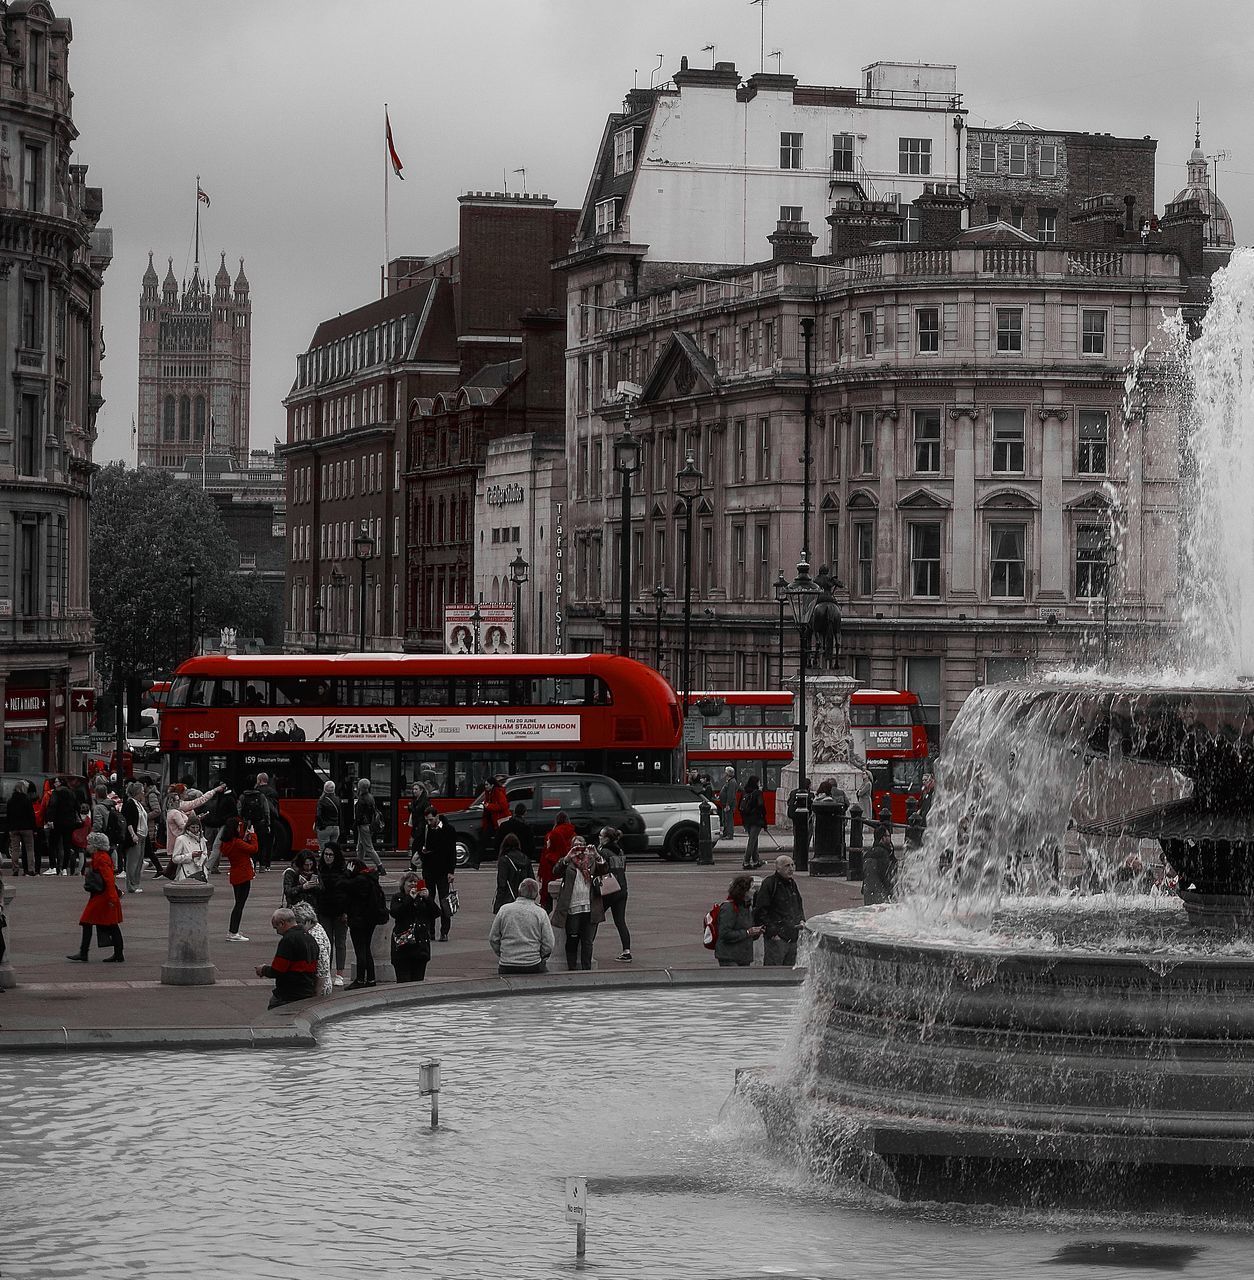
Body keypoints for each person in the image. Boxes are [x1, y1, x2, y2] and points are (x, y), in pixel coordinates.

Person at [550, 838, 609, 971]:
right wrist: (567, 857)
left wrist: (597, 854)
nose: (579, 849)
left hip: (590, 906)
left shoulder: (592, 861)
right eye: (576, 846)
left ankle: (586, 969)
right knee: (572, 938)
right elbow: (555, 871)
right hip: (573, 906)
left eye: (582, 845)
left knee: (587, 942)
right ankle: (572, 968)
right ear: (571, 847)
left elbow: (605, 870)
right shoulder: (568, 861)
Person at [68, 833, 125, 963]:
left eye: (89, 843)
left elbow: (109, 879)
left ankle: (84, 952)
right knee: (110, 925)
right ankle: (117, 953)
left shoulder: (101, 858)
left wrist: (112, 898)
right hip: (104, 896)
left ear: (95, 845)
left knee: (90, 922)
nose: (87, 846)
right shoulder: (100, 856)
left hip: (103, 897)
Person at [255, 908, 318, 1009]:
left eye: (276, 928)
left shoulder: (288, 940)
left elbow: (278, 970)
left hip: (289, 993)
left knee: (274, 1013)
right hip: (307, 991)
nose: (277, 932)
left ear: (282, 923)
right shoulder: (310, 938)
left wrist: (263, 969)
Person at [489, 877, 554, 975]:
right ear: (536, 894)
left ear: (519, 891)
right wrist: (540, 955)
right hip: (532, 963)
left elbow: (493, 938)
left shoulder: (504, 910)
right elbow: (549, 943)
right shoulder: (540, 913)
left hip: (507, 963)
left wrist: (502, 953)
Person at [340, 855, 387, 989]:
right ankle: (371, 979)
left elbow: (342, 884)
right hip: (370, 919)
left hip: (358, 919)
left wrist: (347, 873)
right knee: (366, 949)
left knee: (360, 949)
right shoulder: (370, 878)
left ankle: (360, 979)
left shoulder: (358, 880)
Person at [753, 855, 806, 966]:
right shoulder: (770, 883)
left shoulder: (792, 883)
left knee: (790, 969)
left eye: (792, 865)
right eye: (787, 866)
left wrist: (801, 920)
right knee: (774, 970)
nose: (791, 868)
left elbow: (798, 904)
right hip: (777, 937)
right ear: (778, 868)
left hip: (792, 935)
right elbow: (761, 910)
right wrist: (772, 932)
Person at [390, 871, 437, 983]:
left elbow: (436, 913)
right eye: (410, 882)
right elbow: (395, 913)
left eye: (416, 882)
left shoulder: (422, 899)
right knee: (403, 980)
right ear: (404, 884)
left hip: (420, 947)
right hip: (403, 946)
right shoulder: (398, 897)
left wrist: (428, 898)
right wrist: (410, 899)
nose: (413, 884)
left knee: (417, 981)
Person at [419, 808, 457, 941]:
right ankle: (430, 931)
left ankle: (444, 931)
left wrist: (451, 871)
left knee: (444, 902)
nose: (429, 823)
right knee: (428, 900)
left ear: (437, 817)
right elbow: (418, 846)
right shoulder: (425, 830)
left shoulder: (448, 830)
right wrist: (422, 852)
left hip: (443, 871)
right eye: (427, 820)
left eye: (431, 820)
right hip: (429, 870)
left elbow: (452, 851)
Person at [316, 843, 350, 987]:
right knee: (327, 943)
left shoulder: (343, 871)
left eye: (330, 855)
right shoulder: (320, 870)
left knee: (340, 943)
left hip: (340, 911)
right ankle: (327, 972)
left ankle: (340, 973)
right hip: (324, 910)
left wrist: (346, 911)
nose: (328, 857)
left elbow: (348, 892)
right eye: (326, 854)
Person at [219, 817, 258, 941]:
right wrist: (253, 835)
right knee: (240, 904)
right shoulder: (237, 842)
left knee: (238, 903)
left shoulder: (227, 843)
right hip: (244, 874)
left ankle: (233, 930)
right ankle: (233, 931)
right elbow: (254, 849)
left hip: (235, 873)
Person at [596, 826, 632, 962]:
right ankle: (626, 951)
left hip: (608, 889)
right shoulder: (620, 851)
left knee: (594, 918)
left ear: (606, 838)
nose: (599, 837)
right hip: (622, 888)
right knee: (620, 921)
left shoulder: (603, 852)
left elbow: (600, 869)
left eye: (601, 836)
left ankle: (587, 948)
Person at [714, 874, 762, 967]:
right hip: (729, 956)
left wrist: (756, 932)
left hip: (743, 955)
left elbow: (748, 932)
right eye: (752, 888)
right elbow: (725, 933)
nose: (754, 891)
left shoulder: (747, 907)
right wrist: (748, 932)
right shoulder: (729, 908)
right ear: (744, 891)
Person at [291, 901, 333, 996]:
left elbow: (322, 969)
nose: (297, 926)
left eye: (299, 922)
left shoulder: (316, 938)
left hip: (319, 987)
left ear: (308, 921)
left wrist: (316, 994)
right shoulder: (316, 927)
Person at [537, 810, 576, 910]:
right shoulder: (573, 834)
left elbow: (544, 855)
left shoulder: (551, 834)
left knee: (548, 900)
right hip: (567, 869)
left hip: (551, 868)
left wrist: (541, 873)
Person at [119, 780, 150, 894]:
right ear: (137, 792)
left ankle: (136, 883)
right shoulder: (130, 804)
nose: (143, 793)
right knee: (132, 862)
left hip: (142, 836)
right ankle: (131, 885)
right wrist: (133, 835)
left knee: (139, 861)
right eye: (142, 791)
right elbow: (129, 821)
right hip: (136, 836)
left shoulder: (139, 804)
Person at [475, 774, 510, 870]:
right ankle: (476, 862)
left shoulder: (498, 792)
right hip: (492, 822)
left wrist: (488, 806)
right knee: (484, 840)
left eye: (487, 785)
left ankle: (500, 861)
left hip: (499, 822)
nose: (485, 786)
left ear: (492, 785)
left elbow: (503, 806)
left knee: (496, 842)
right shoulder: (488, 793)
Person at [47, 777, 81, 876]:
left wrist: (50, 819)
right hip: (69, 822)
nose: (54, 784)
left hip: (57, 821)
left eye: (56, 782)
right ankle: (65, 867)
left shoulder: (56, 792)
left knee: (53, 844)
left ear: (60, 783)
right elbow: (77, 806)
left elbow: (52, 805)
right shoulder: (71, 792)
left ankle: (53, 866)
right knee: (67, 845)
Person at [493, 832, 533, 913]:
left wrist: (497, 904)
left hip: (508, 899)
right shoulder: (526, 859)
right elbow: (531, 879)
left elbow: (502, 883)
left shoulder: (504, 860)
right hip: (524, 899)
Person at [7, 780, 37, 875]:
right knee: (29, 849)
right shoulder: (27, 800)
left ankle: (15, 869)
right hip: (26, 827)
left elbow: (9, 816)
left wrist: (9, 828)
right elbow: (31, 815)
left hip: (14, 828)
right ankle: (31, 869)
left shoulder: (10, 800)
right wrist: (34, 828)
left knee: (15, 849)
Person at [352, 777, 383, 872]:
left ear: (359, 787)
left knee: (369, 848)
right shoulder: (370, 797)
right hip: (370, 825)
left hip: (363, 826)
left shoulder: (361, 800)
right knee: (361, 846)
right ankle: (359, 865)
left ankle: (380, 867)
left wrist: (353, 826)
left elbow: (359, 816)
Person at [169, 816, 210, 881]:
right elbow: (175, 858)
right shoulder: (181, 839)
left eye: (197, 827)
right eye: (193, 827)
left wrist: (202, 857)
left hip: (201, 872)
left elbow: (205, 854)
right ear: (188, 827)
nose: (195, 830)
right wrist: (191, 855)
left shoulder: (202, 839)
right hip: (186, 873)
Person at [740, 774, 767, 870]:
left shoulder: (745, 792)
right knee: (752, 841)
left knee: (754, 840)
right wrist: (764, 819)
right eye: (759, 782)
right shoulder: (757, 793)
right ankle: (746, 861)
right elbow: (761, 806)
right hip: (756, 819)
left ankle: (756, 860)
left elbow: (741, 807)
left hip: (747, 820)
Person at [406, 781, 432, 868]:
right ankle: (416, 865)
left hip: (421, 827)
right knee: (417, 847)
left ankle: (414, 866)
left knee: (416, 846)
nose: (414, 791)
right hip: (416, 825)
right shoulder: (415, 800)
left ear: (421, 790)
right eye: (413, 789)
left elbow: (426, 813)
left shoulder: (425, 801)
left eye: (416, 789)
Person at [315, 780, 342, 852]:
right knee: (332, 851)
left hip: (325, 827)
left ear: (324, 789)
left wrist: (320, 826)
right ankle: (332, 863)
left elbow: (318, 815)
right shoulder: (337, 799)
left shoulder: (322, 800)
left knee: (324, 850)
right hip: (335, 828)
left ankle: (324, 863)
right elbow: (340, 815)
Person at [717, 767, 738, 843]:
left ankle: (729, 835)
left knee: (729, 820)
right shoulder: (728, 781)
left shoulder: (732, 782)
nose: (724, 773)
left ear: (728, 773)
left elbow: (731, 794)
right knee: (725, 819)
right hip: (724, 804)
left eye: (725, 772)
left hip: (728, 804)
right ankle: (725, 833)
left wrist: (728, 804)